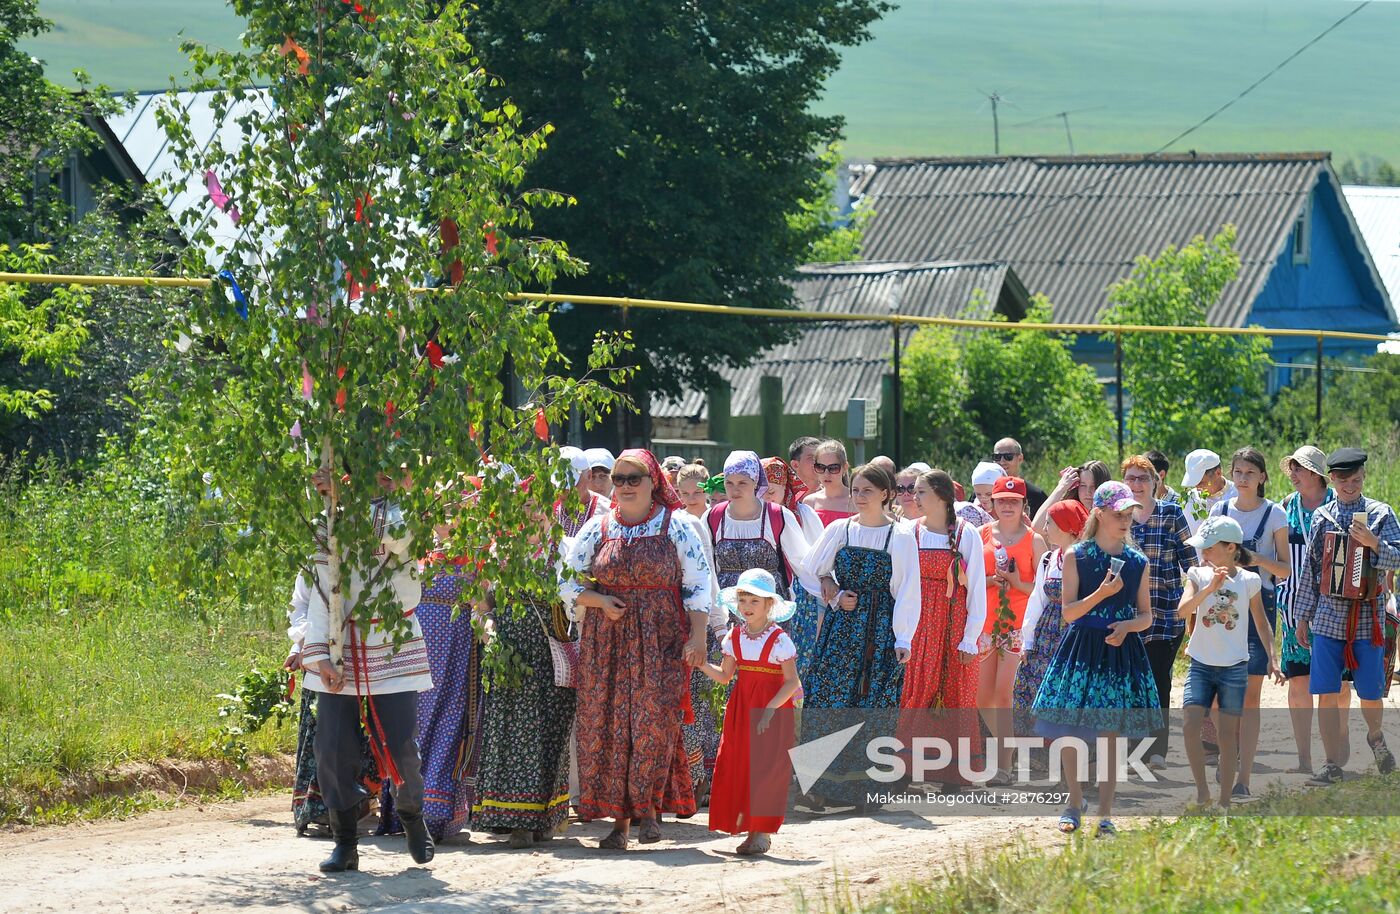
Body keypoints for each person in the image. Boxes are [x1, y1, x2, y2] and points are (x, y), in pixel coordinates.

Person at [559, 449, 714, 849]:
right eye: (619, 478)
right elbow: (565, 580)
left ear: (653, 482)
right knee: (607, 725)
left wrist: (697, 637)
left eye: (634, 478)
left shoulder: (677, 525)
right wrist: (599, 602)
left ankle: (648, 810)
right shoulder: (598, 528)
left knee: (652, 722)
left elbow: (699, 582)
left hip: (661, 636)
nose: (625, 486)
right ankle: (619, 822)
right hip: (605, 640)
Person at [301, 469, 435, 872]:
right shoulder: (331, 518)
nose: (385, 478)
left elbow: (397, 536)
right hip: (341, 643)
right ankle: (345, 842)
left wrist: (348, 503)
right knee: (332, 749)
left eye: (391, 471)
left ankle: (411, 813)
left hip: (392, 640)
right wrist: (319, 654)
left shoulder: (408, 512)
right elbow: (321, 589)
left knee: (400, 746)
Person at [1032, 481, 1159, 838]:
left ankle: (1105, 812)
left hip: (1120, 651)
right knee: (1070, 730)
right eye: (1118, 514)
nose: (1125, 520)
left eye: (1129, 514)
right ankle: (1074, 801)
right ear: (1099, 514)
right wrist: (1102, 593)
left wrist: (1128, 626)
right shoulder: (1077, 556)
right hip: (1082, 647)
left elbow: (1147, 616)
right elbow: (1069, 613)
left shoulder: (1137, 561)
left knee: (1111, 734)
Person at [801, 464, 920, 805]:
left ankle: (864, 789)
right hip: (842, 628)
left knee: (871, 704)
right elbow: (813, 570)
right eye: (856, 489)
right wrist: (835, 594)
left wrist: (902, 639)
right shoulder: (841, 529)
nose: (860, 496)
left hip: (879, 631)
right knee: (828, 696)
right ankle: (820, 788)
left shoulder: (898, 536)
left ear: (886, 494)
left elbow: (908, 591)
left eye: (868, 490)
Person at [474, 503, 578, 849]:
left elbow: (575, 603)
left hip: (548, 654)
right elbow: (482, 602)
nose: (531, 514)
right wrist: (489, 634)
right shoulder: (499, 551)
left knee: (548, 734)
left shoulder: (565, 550)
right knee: (510, 731)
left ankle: (542, 818)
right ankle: (513, 819)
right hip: (509, 655)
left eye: (539, 508)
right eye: (525, 507)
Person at [1294, 448, 1399, 785]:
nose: (1350, 486)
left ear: (1363, 477)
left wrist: (1374, 543)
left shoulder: (1381, 514)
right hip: (1327, 617)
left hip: (1368, 616)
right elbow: (1310, 572)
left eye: (1356, 479)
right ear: (1333, 480)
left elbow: (1397, 558)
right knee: (1325, 690)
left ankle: (1375, 736)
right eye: (1343, 480)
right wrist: (1301, 617)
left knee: (1370, 693)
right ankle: (1331, 764)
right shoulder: (1322, 518)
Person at [1178, 516, 1281, 809]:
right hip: (1200, 663)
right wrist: (1209, 588)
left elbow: (1262, 624)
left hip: (1235, 667)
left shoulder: (1249, 580)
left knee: (1226, 735)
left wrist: (1273, 659)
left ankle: (1224, 800)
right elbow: (1181, 611)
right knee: (1189, 725)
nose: (1203, 553)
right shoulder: (1196, 574)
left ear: (1230, 547)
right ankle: (1202, 791)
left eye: (1209, 547)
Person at [697, 569, 801, 856]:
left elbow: (792, 682)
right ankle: (745, 826)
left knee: (766, 767)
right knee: (737, 761)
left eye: (755, 601)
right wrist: (702, 664)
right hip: (741, 706)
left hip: (772, 707)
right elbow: (724, 675)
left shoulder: (779, 640)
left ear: (770, 605)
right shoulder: (735, 637)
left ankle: (761, 832)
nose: (747, 607)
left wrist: (770, 709)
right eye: (743, 600)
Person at [1207, 447, 1289, 800]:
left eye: (1250, 473)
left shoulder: (1275, 514)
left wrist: (1255, 559)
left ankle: (1243, 776)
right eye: (1238, 472)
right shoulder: (1218, 510)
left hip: (1258, 603)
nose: (1242, 478)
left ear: (1262, 477)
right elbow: (1203, 561)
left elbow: (1285, 569)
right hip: (1220, 606)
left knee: (1251, 698)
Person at [898, 469, 986, 788]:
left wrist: (970, 639)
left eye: (920, 492)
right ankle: (908, 769)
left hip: (953, 624)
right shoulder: (909, 532)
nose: (913, 497)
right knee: (916, 690)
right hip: (920, 624)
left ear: (942, 496)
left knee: (954, 694)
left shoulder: (966, 534)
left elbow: (976, 589)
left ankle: (954, 771)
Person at [287, 572, 382, 836]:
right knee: (321, 735)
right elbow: (300, 607)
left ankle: (358, 806)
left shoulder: (366, 560)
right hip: (319, 661)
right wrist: (301, 648)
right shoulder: (314, 565)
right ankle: (318, 810)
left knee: (356, 735)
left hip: (359, 659)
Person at [1122, 454, 1195, 769]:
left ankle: (1157, 751)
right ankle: (1133, 749)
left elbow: (1191, 562)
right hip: (1127, 615)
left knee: (1158, 680)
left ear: (1156, 482)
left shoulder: (1171, 514)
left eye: (1143, 478)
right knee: (1131, 681)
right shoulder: (1118, 516)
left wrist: (1194, 606)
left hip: (1165, 614)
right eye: (1131, 478)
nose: (1137, 484)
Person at [977, 476, 1045, 784]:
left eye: (1013, 501)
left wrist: (1017, 583)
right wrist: (990, 581)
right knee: (982, 698)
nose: (1007, 506)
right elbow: (969, 580)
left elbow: (1043, 590)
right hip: (985, 625)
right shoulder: (979, 536)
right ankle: (1012, 747)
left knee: (1004, 695)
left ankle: (1002, 766)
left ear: (1023, 505)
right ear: (991, 503)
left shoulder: (1035, 541)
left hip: (1017, 626)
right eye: (1001, 500)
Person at [1276, 446, 1337, 773]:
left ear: (1317, 473)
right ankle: (1304, 758)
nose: (1294, 475)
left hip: (1334, 609)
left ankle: (1336, 749)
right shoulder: (1286, 506)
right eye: (1292, 469)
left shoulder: (1339, 504)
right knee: (1299, 681)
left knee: (1337, 684)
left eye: (1300, 469)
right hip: (1293, 606)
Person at [1013, 500, 1089, 718]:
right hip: (1047, 635)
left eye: (1050, 523)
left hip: (1076, 634)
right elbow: (1038, 599)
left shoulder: (1088, 560)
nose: (1045, 529)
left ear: (1066, 527)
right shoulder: (1049, 560)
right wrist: (1027, 641)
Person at [762, 455, 825, 676]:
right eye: (762, 490)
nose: (767, 496)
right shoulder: (751, 515)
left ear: (785, 488)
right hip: (762, 595)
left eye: (773, 491)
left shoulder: (803, 514)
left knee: (798, 657)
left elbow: (818, 556)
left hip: (801, 595)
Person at [1031, 461, 1110, 534]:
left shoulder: (1114, 516)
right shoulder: (1071, 514)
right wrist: (1061, 487)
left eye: (1094, 486)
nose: (1088, 492)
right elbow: (1038, 527)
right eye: (1083, 485)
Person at [1180, 448, 1237, 535]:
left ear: (1218, 473)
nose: (1197, 487)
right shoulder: (1190, 500)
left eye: (1202, 482)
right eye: (1194, 483)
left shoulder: (1237, 494)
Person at [803, 439, 857, 527]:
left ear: (845, 468)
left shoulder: (856, 501)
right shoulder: (810, 502)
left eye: (833, 468)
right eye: (820, 467)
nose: (826, 474)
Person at [557, 446, 608, 537]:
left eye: (572, 483)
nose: (564, 491)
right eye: (558, 484)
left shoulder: (606, 513)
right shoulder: (544, 512)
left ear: (589, 476)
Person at [991, 438, 1048, 517]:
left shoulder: (1036, 495)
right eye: (997, 457)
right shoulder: (983, 492)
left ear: (1020, 458)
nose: (1002, 461)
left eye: (1008, 456)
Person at [788, 436, 822, 503]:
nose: (818, 462)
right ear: (795, 465)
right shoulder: (782, 495)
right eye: (811, 458)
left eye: (820, 457)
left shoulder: (832, 495)